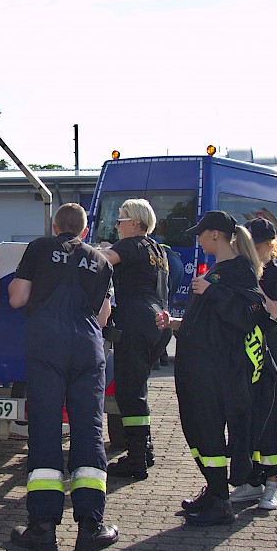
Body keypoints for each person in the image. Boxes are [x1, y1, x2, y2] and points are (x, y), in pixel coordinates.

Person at [7, 203, 119, 551]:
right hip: (87, 349)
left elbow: (17, 298)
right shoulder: (101, 260)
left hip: (47, 347)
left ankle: (42, 527)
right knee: (88, 429)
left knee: (45, 428)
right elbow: (103, 315)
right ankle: (91, 526)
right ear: (84, 231)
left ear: (55, 226)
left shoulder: (40, 247)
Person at [161, 211, 265, 527]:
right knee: (197, 428)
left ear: (216, 235)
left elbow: (249, 314)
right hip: (198, 365)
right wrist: (176, 324)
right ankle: (214, 490)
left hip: (216, 369)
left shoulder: (239, 270)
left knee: (207, 430)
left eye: (201, 233)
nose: (198, 238)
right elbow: (208, 320)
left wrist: (212, 290)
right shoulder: (219, 269)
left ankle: (221, 501)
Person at [97, 198, 169, 481]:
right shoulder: (157, 250)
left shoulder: (131, 244)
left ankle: (137, 459)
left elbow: (102, 261)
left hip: (137, 321)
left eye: (121, 219)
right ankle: (144, 449)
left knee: (129, 392)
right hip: (158, 322)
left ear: (135, 223)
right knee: (137, 388)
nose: (116, 225)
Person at [228, 217, 277, 511]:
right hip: (244, 347)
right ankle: (250, 480)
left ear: (270, 245)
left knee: (270, 413)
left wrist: (252, 284)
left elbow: (271, 312)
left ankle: (271, 481)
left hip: (270, 347)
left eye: (256, 245)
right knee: (248, 414)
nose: (251, 250)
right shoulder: (241, 271)